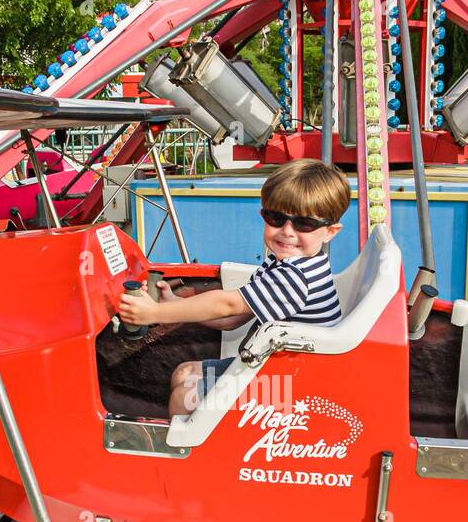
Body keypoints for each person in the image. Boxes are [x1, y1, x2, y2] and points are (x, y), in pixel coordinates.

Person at [116, 158, 351, 416]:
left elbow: (227, 304)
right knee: (184, 372)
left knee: (186, 397)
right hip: (278, 370)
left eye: (304, 224)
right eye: (275, 217)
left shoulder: (295, 278)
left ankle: (191, 454)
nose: (287, 231)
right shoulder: (286, 264)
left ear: (330, 232)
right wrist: (177, 306)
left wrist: (153, 314)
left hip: (294, 387)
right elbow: (233, 319)